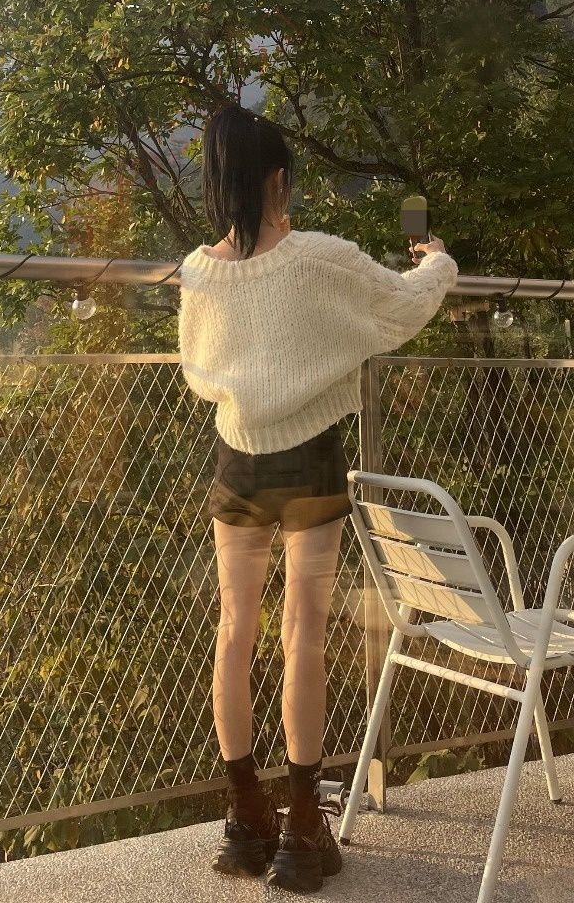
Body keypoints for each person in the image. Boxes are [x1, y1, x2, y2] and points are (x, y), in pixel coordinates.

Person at [177, 103, 459, 893]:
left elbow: (198, 371)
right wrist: (437, 260)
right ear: (277, 179)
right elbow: (401, 304)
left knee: (233, 630)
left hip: (237, 458)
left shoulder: (198, 271)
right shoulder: (318, 257)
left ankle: (244, 820)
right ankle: (302, 829)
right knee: (303, 635)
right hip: (308, 462)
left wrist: (250, 396)